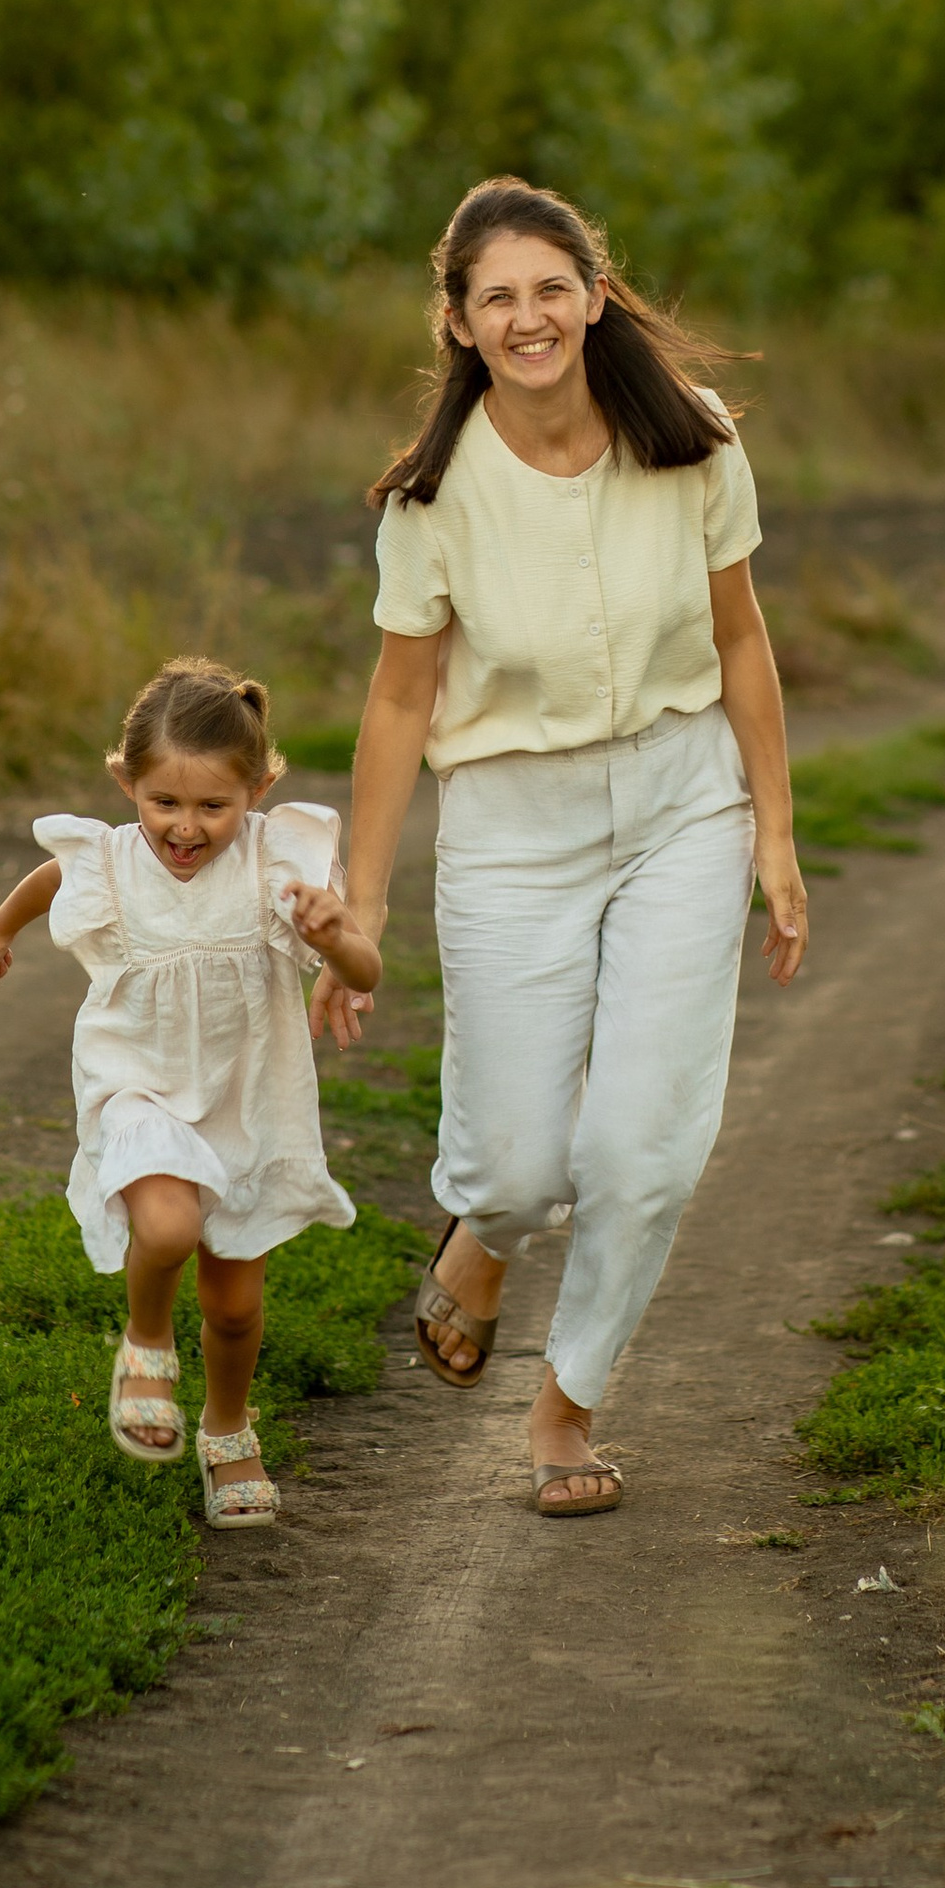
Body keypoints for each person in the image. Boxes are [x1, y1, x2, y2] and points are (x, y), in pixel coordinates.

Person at [341, 179, 811, 1519]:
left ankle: (566, 1409)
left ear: (596, 298)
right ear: (459, 323)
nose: (529, 316)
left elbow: (740, 639)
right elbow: (398, 703)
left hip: (681, 806)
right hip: (512, 827)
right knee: (516, 1169)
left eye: (553, 288)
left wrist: (775, 835)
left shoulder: (693, 440)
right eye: (498, 297)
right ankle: (484, 1233)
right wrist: (360, 909)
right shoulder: (434, 497)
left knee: (644, 1152)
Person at [0, 654, 380, 1529]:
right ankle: (147, 1340)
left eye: (212, 807)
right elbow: (48, 882)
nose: (185, 828)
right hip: (138, 1082)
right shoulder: (111, 858)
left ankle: (228, 1428)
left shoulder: (279, 863)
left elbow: (365, 967)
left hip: (246, 1098)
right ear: (127, 782)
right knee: (166, 1226)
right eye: (164, 802)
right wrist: (0, 933)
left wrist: (336, 939)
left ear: (258, 789)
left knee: (234, 1308)